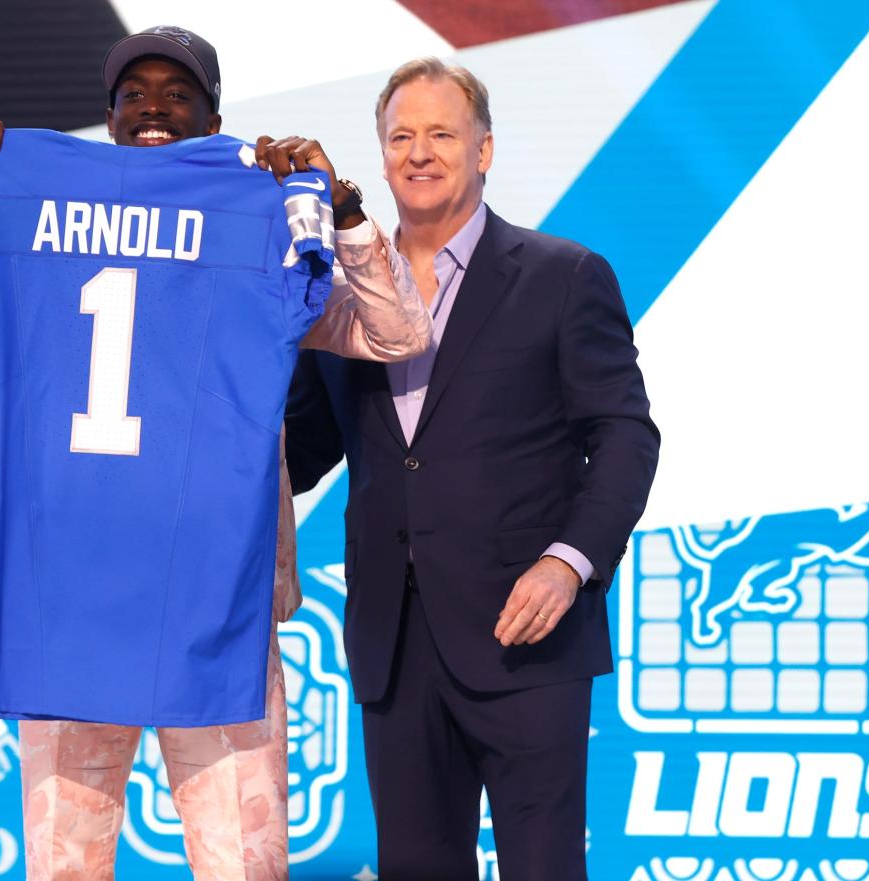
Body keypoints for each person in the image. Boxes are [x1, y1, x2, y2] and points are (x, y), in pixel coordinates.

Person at [0, 26, 430, 881]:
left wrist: (336, 208)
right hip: (69, 598)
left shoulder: (259, 219)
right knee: (66, 863)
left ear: (215, 116)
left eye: (177, 92)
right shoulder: (18, 207)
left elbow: (399, 331)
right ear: (109, 116)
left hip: (216, 600)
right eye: (134, 92)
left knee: (241, 860)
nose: (153, 105)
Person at [284, 57, 660, 880]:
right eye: (401, 137)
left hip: (527, 636)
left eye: (442, 134)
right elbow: (304, 450)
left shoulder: (564, 277)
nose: (420, 153)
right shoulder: (338, 297)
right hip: (392, 640)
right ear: (380, 158)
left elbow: (627, 436)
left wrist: (569, 564)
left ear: (483, 151)